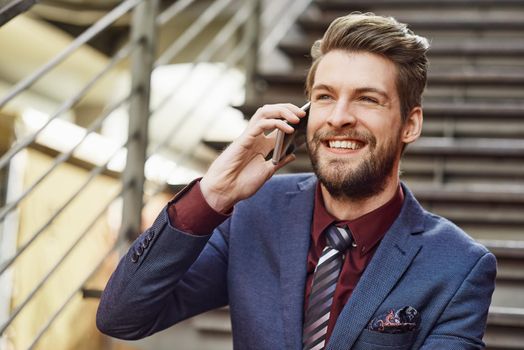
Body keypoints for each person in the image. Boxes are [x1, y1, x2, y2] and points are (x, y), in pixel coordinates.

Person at [96, 12, 497, 350]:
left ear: (410, 124)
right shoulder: (253, 214)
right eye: (324, 96)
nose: (339, 116)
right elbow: (122, 317)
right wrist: (212, 195)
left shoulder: (458, 266)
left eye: (367, 99)